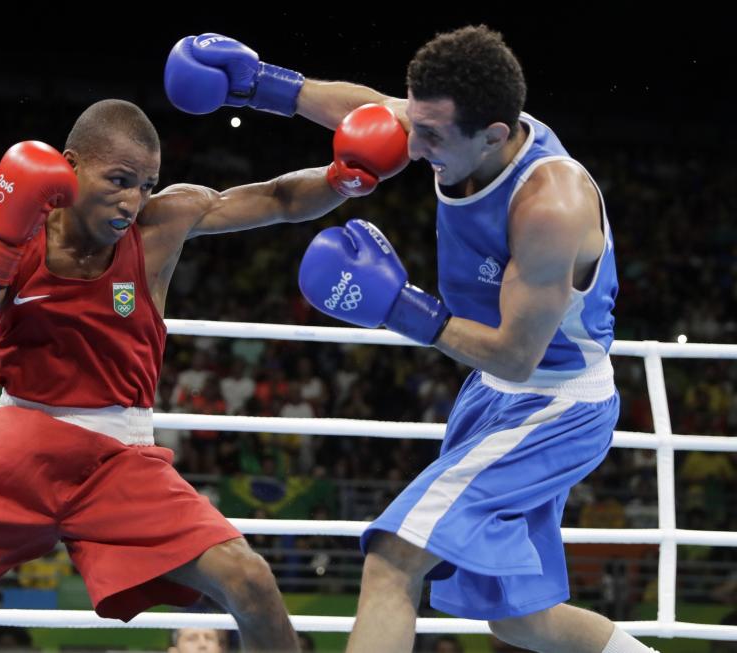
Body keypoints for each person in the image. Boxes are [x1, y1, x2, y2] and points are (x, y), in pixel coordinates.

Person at [0, 95, 408, 653]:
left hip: (120, 459)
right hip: (15, 450)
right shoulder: (12, 235)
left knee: (249, 580)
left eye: (144, 185)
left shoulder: (159, 226)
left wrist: (342, 179)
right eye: (118, 181)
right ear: (68, 168)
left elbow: (275, 199)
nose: (131, 201)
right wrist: (0, 247)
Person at [167, 26, 658, 653]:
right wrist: (258, 85)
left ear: (494, 136)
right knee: (520, 620)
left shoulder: (550, 208)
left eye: (430, 137)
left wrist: (403, 309)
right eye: (414, 121)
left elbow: (516, 352)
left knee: (393, 559)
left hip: (554, 402)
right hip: (492, 393)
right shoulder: (449, 123)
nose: (411, 144)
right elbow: (365, 109)